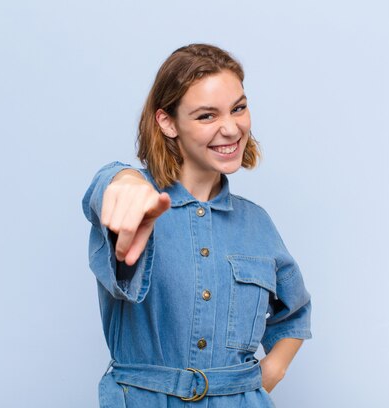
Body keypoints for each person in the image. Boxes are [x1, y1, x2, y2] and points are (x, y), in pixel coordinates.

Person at [82, 43, 312, 407]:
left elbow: (295, 312)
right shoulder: (139, 203)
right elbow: (105, 189)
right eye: (207, 116)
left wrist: (269, 374)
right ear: (167, 122)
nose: (231, 128)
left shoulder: (258, 224)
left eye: (238, 108)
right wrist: (122, 179)